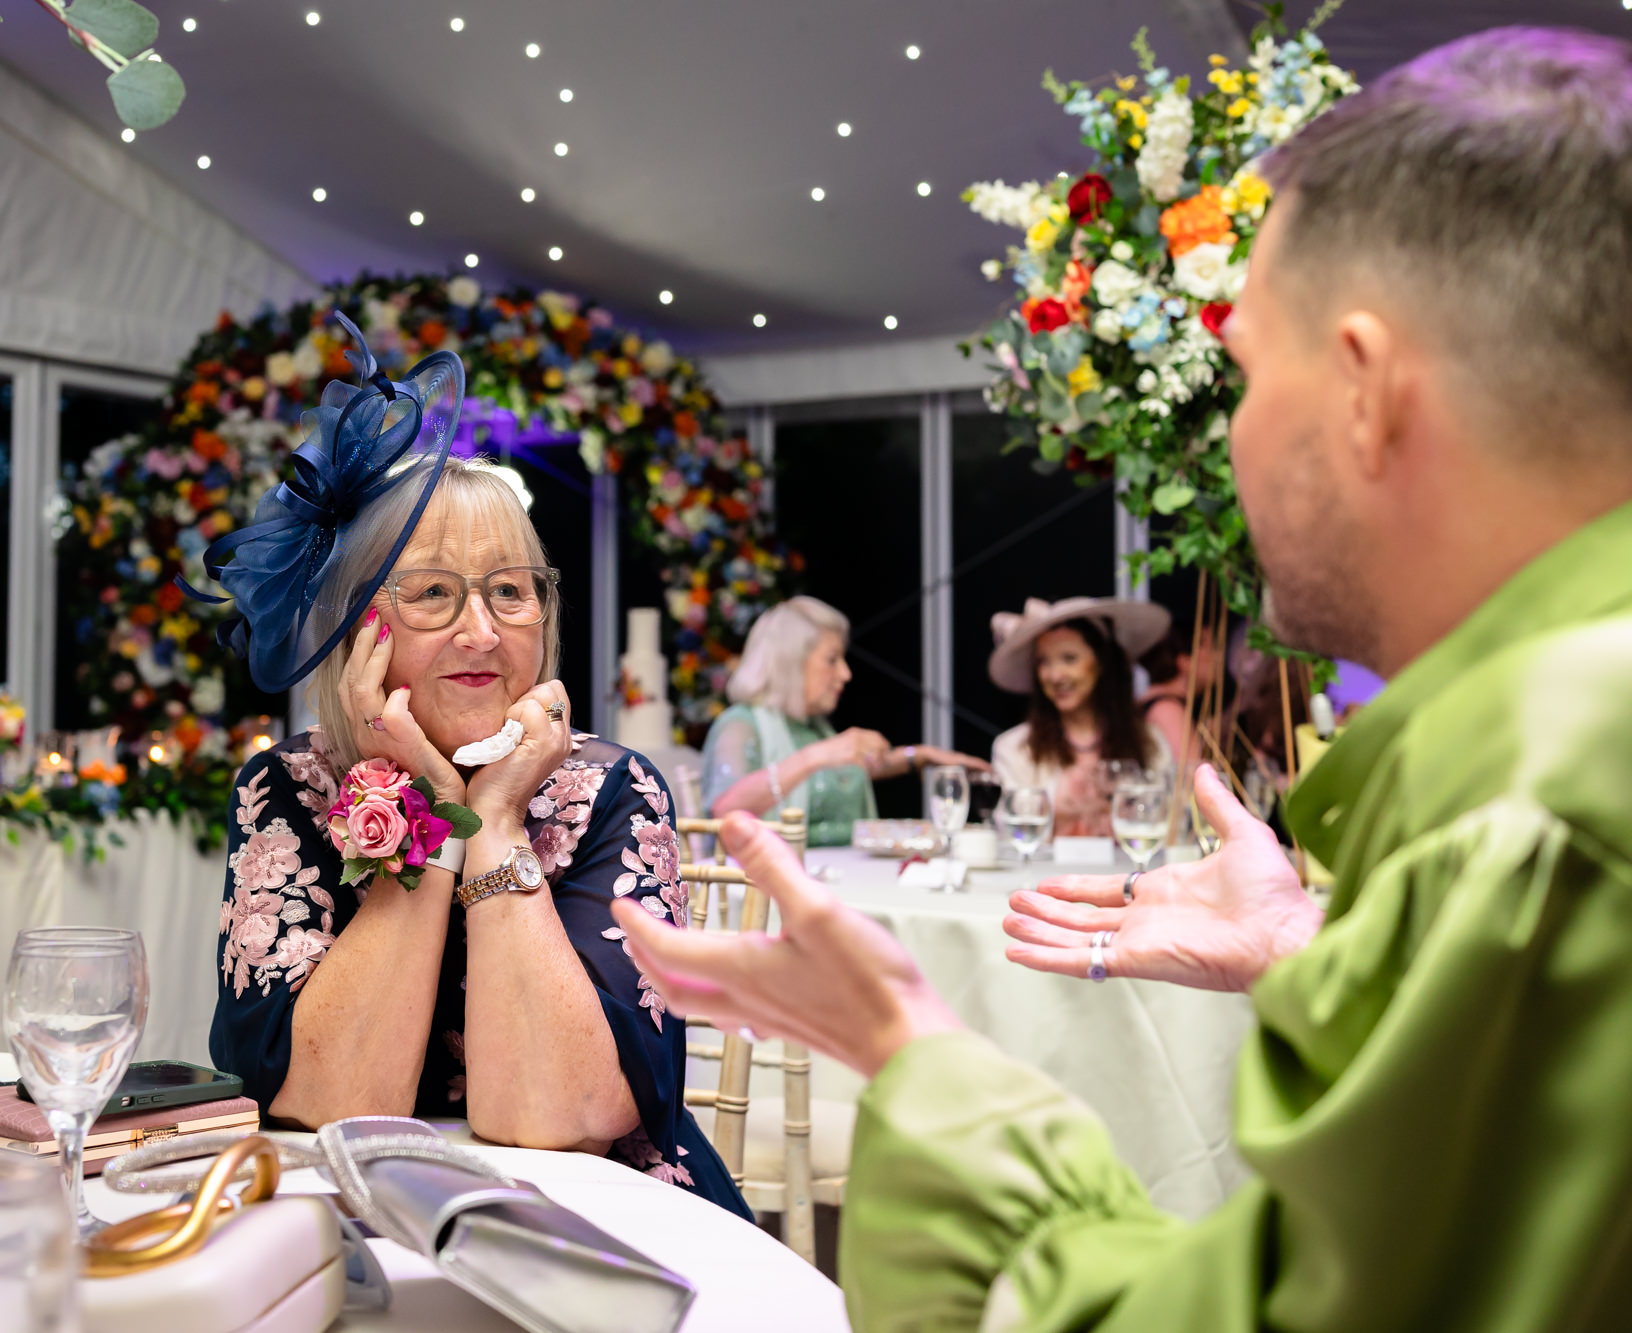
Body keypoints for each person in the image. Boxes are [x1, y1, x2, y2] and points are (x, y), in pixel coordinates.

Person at [608, 28, 1632, 1329]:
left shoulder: (1542, 818)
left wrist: (916, 1059)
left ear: (1367, 389)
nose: (1236, 444)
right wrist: (1310, 944)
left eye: (1251, 373)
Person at [198, 317, 747, 1217]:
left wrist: (490, 822)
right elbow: (332, 1105)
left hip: (606, 1215)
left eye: (509, 590)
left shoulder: (614, 790)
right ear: (358, 627)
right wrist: (426, 811)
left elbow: (560, 1112)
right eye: (435, 593)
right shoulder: (284, 793)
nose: (483, 632)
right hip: (346, 1213)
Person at [701, 596, 983, 846]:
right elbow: (725, 812)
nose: (846, 674)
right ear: (792, 662)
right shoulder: (740, 725)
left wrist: (919, 756)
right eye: (832, 660)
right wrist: (817, 756)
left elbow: (843, 774)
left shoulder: (811, 727)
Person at [986, 597, 1171, 836]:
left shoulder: (1150, 743)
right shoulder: (1015, 748)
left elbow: (1170, 821)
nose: (1055, 675)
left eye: (1069, 658)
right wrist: (1054, 812)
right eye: (1043, 662)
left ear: (1101, 663)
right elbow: (1010, 832)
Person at [1136, 619, 1224, 768]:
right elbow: (1191, 778)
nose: (1219, 657)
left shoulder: (1156, 700)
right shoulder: (1169, 709)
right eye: (1212, 648)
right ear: (1184, 661)